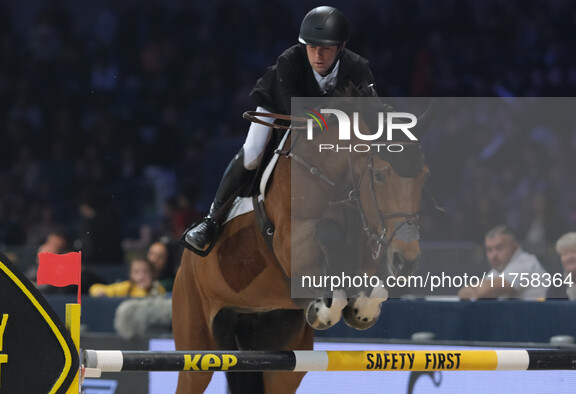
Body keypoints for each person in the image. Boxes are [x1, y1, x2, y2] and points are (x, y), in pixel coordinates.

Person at [181, 6, 376, 256]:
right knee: (252, 153)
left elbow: (372, 112)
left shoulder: (358, 67)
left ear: (341, 46)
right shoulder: (289, 60)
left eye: (326, 48)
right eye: (311, 47)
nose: (317, 55)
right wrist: (341, 114)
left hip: (324, 121)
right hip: (279, 109)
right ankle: (211, 221)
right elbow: (302, 111)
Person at [458, 225, 548, 300]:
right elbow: (464, 293)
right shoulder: (499, 269)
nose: (493, 256)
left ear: (515, 247)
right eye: (489, 250)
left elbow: (486, 291)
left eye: (500, 248)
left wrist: (475, 289)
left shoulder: (526, 263)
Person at [89, 258, 165, 297]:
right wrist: (99, 292)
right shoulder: (127, 286)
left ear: (152, 273)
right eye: (136, 271)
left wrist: (144, 289)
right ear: (131, 274)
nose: (142, 275)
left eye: (145, 271)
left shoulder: (157, 288)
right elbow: (94, 288)